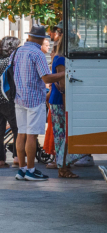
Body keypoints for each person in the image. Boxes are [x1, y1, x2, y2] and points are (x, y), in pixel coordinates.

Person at [11, 26, 60, 181]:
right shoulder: (37, 53)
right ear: (40, 39)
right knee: (31, 135)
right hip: (34, 99)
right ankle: (31, 170)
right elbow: (46, 78)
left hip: (19, 98)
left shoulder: (18, 51)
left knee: (21, 133)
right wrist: (64, 74)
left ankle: (22, 169)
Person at [47, 37, 81, 178]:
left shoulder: (58, 57)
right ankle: (63, 168)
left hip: (58, 101)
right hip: (60, 102)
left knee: (62, 136)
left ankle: (63, 165)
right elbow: (62, 85)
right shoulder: (61, 59)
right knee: (63, 136)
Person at [0, 36, 20, 169]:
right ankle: (17, 157)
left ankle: (1, 160)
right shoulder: (11, 61)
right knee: (17, 128)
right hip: (9, 99)